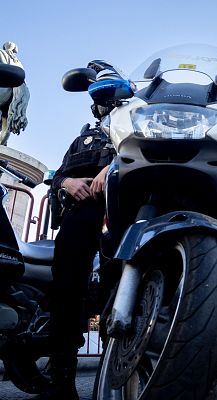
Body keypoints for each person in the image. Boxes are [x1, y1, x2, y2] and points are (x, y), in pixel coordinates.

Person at [36, 61, 118, 400]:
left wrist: (114, 168)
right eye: (102, 96)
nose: (108, 101)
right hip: (79, 214)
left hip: (117, 212)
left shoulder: (136, 126)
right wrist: (66, 182)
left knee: (115, 295)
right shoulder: (82, 136)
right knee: (66, 290)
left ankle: (117, 374)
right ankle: (62, 378)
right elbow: (57, 177)